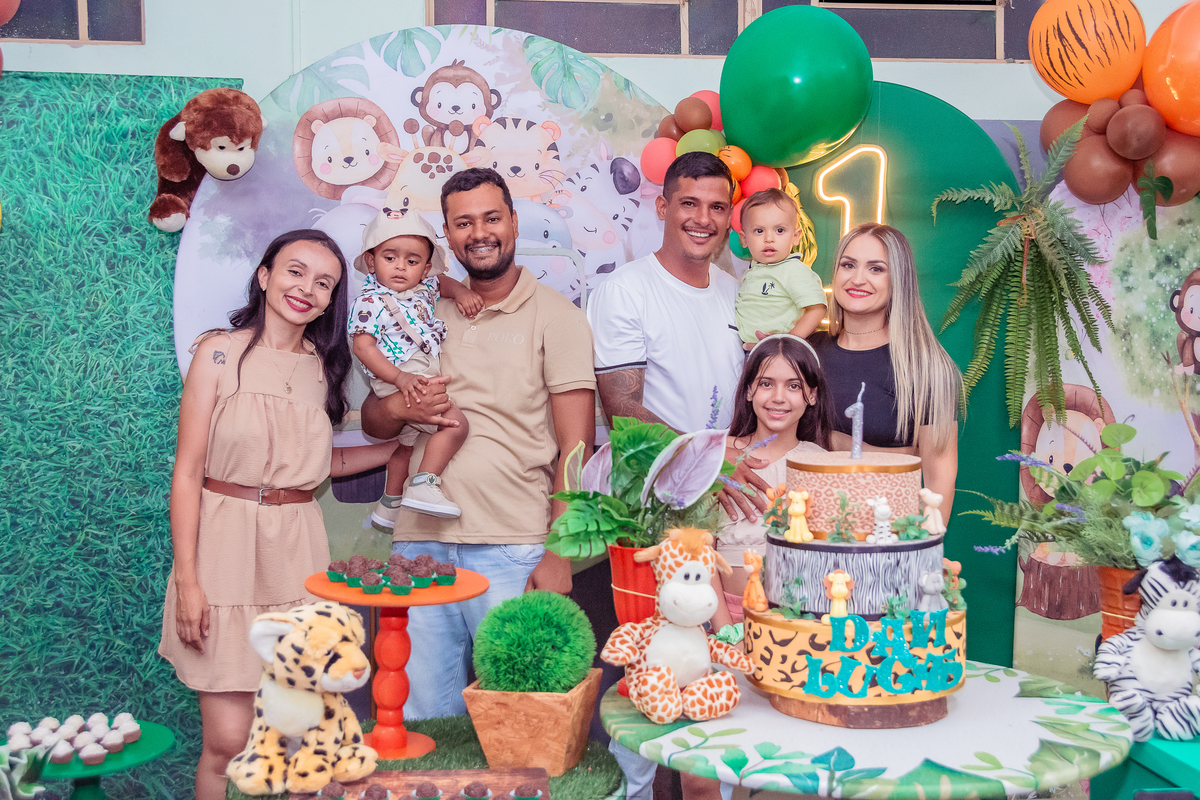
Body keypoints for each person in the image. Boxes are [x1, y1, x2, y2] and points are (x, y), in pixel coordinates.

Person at [161, 230, 396, 800]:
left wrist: (397, 450)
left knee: (305, 740)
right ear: (265, 276)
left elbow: (313, 465)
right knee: (228, 743)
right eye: (295, 271)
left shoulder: (324, 367)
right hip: (224, 549)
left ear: (331, 299)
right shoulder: (217, 353)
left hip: (297, 552)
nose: (306, 289)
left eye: (324, 283)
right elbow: (188, 472)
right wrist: (189, 581)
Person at [359, 168, 596, 718]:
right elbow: (375, 421)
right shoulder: (415, 305)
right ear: (446, 234)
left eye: (491, 218)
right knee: (419, 723)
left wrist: (559, 551)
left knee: (522, 718)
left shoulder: (558, 318)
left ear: (513, 222)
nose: (479, 233)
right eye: (463, 223)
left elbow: (577, 446)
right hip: (419, 546)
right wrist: (401, 407)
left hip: (514, 547)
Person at [587, 151, 760, 800]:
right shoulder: (625, 290)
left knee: (721, 673)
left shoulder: (735, 292)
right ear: (662, 206)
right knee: (656, 673)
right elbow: (622, 409)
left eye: (717, 207)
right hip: (651, 515)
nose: (702, 219)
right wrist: (710, 460)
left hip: (726, 509)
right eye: (689, 203)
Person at [809, 222, 961, 515]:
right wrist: (895, 454)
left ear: (898, 280)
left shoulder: (925, 366)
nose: (857, 279)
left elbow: (938, 480)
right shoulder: (808, 351)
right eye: (848, 265)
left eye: (876, 269)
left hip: (886, 533)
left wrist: (842, 444)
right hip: (804, 529)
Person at [348, 212, 481, 524]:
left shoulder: (424, 288)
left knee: (407, 444)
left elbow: (442, 283)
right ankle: (424, 484)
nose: (400, 267)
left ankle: (390, 504)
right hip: (400, 375)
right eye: (390, 257)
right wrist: (400, 378)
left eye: (412, 261)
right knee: (455, 425)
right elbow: (363, 347)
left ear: (425, 268)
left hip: (416, 373)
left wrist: (460, 292)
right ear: (371, 262)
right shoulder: (370, 302)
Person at [709, 334, 835, 630]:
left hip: (803, 623)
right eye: (766, 383)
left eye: (794, 386)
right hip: (731, 622)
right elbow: (700, 554)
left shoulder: (820, 464)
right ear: (749, 390)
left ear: (812, 395)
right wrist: (726, 632)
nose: (779, 397)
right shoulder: (716, 458)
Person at [733, 189, 827, 345]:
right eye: (759, 231)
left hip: (779, 351)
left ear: (795, 237)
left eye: (780, 230)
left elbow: (817, 309)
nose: (769, 238)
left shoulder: (793, 270)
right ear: (744, 239)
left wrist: (787, 342)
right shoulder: (754, 270)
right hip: (751, 349)